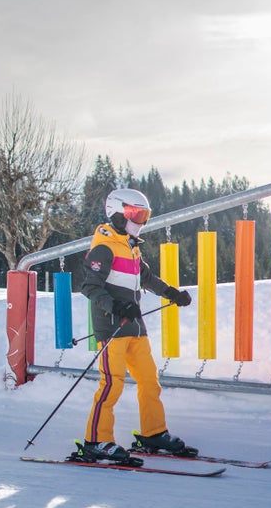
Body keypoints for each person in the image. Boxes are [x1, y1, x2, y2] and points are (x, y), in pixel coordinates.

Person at [74, 188, 193, 462]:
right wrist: (114, 306)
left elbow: (147, 277)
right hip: (111, 328)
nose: (139, 221)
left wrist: (172, 293)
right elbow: (89, 286)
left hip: (135, 327)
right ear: (115, 213)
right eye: (134, 214)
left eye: (144, 216)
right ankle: (97, 441)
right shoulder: (104, 247)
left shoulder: (130, 247)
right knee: (111, 384)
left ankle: (153, 433)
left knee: (149, 381)